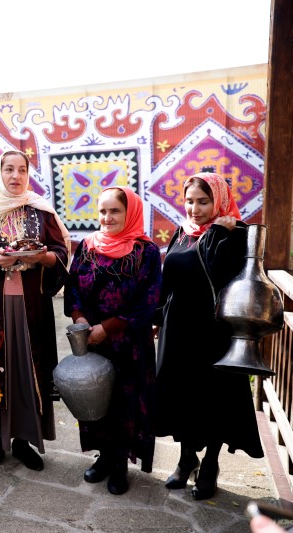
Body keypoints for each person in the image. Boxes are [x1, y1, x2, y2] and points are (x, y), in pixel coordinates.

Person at [0, 150, 69, 472]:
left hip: (31, 309)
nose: (16, 176)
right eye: (9, 169)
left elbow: (60, 251)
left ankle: (22, 440)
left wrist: (42, 257)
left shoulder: (40, 210)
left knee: (25, 369)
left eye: (22, 170)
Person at [155, 171, 263, 500]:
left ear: (218, 200)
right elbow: (169, 278)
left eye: (203, 201)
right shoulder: (182, 232)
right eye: (189, 201)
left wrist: (216, 230)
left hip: (213, 332)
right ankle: (187, 458)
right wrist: (157, 318)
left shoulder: (234, 233)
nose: (194, 209)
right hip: (178, 331)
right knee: (183, 394)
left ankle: (211, 465)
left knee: (214, 399)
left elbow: (215, 273)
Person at [64, 186, 161, 495]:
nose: (107, 217)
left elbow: (149, 301)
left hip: (129, 343)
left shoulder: (145, 252)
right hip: (92, 340)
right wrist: (80, 319)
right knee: (94, 398)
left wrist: (108, 327)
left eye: (115, 211)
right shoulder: (87, 246)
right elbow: (73, 287)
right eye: (102, 211)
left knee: (124, 403)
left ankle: (120, 464)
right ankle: (104, 457)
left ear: (129, 212)